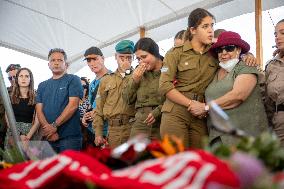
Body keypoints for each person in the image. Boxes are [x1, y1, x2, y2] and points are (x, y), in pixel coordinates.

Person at [159, 8, 257, 148]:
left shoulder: (215, 51)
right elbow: (164, 85)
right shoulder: (175, 53)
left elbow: (232, 53)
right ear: (193, 30)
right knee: (177, 160)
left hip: (201, 114)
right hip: (176, 111)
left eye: (212, 25)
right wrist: (190, 104)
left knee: (201, 160)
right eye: (205, 26)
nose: (210, 30)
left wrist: (247, 56)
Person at [201, 31, 268, 145]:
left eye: (229, 48)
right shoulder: (215, 72)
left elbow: (238, 96)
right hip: (218, 137)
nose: (224, 52)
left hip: (245, 139)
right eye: (219, 50)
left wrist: (205, 108)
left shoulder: (245, 66)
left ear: (239, 49)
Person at [36, 48, 83, 153]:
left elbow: (73, 106)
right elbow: (39, 110)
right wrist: (48, 130)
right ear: (48, 64)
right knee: (50, 169)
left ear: (65, 64)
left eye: (60, 60)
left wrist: (54, 126)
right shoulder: (42, 85)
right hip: (48, 137)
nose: (56, 63)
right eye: (53, 60)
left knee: (69, 169)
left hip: (70, 138)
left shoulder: (73, 79)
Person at [94, 40, 136, 148]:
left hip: (134, 128)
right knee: (115, 163)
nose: (125, 61)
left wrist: (129, 74)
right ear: (115, 57)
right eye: (122, 57)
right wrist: (98, 133)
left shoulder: (138, 76)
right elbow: (99, 109)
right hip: (113, 130)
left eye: (129, 57)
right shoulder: (106, 80)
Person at [123, 38, 164, 140]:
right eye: (138, 59)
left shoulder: (168, 68)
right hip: (142, 123)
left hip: (163, 120)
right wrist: (135, 80)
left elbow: (175, 94)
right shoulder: (138, 72)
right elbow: (127, 99)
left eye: (144, 57)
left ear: (155, 53)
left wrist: (158, 111)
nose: (141, 62)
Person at [4, 68, 40, 149]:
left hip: (29, 133)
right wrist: (17, 135)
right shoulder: (10, 98)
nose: (23, 78)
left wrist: (27, 137)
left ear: (30, 79)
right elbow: (7, 118)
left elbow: (38, 121)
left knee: (27, 161)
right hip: (12, 133)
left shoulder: (36, 98)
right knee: (12, 160)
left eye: (27, 76)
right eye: (21, 76)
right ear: (17, 79)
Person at [81, 46, 110, 146]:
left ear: (103, 58)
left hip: (106, 132)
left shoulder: (113, 78)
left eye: (95, 59)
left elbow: (116, 105)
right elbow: (91, 105)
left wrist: (97, 112)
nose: (92, 63)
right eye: (89, 60)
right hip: (91, 130)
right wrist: (85, 116)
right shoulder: (92, 83)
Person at [265, 19, 284, 146]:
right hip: (279, 123)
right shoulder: (271, 65)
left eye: (283, 33)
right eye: (275, 34)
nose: (278, 37)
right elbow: (268, 100)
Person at [79, 77, 91, 149]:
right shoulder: (70, 102)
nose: (82, 88)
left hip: (88, 133)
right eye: (79, 86)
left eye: (84, 86)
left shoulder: (91, 101)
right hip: (74, 134)